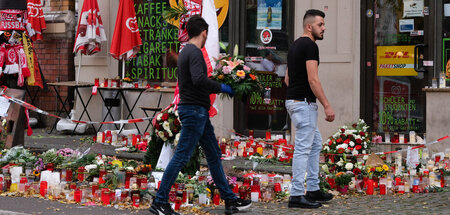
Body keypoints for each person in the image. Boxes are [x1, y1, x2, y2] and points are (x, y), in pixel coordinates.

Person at [149, 15, 252, 215]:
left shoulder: (185, 51)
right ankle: (160, 201)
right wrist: (222, 86)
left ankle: (230, 200)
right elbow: (198, 80)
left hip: (197, 111)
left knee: (213, 155)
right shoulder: (194, 52)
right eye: (207, 34)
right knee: (181, 157)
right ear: (204, 33)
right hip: (194, 111)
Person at [284, 9, 335, 209]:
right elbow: (313, 79)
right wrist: (327, 105)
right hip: (304, 103)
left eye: (323, 24)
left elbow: (288, 78)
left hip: (295, 101)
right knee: (303, 149)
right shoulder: (310, 46)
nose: (323, 28)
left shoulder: (294, 46)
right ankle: (296, 195)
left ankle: (313, 189)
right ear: (309, 26)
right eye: (320, 25)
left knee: (314, 144)